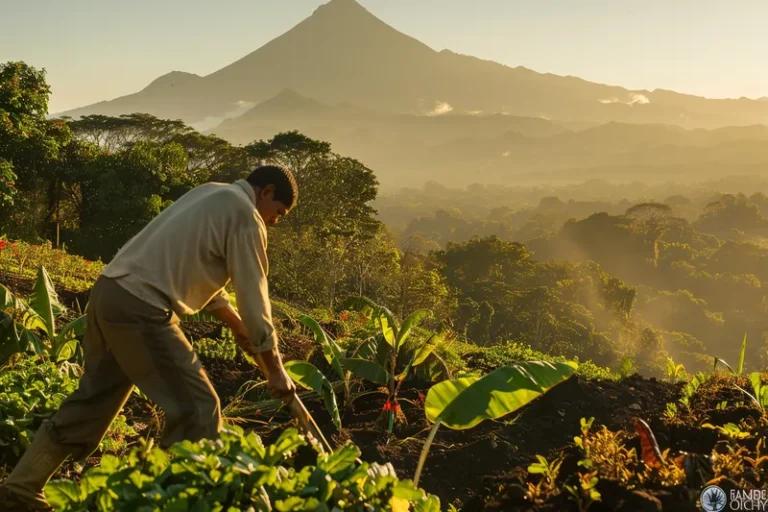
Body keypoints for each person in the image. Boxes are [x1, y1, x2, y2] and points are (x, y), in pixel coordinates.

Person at [0, 165, 298, 511]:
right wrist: (275, 368)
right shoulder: (247, 216)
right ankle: (179, 503)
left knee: (95, 399)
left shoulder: (210, 193)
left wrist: (233, 322)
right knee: (199, 409)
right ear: (267, 192)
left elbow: (188, 260)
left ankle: (20, 490)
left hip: (110, 293)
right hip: (141, 307)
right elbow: (254, 294)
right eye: (279, 213)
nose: (275, 222)